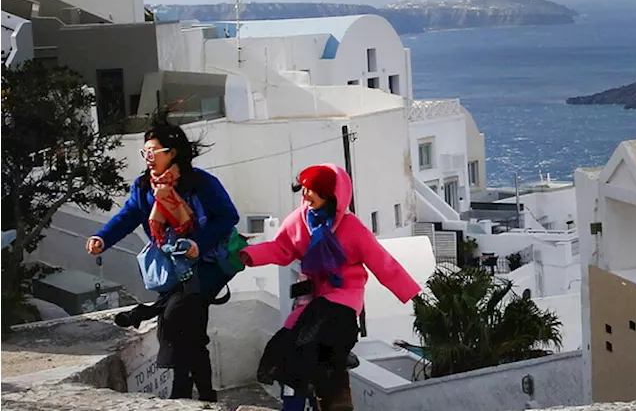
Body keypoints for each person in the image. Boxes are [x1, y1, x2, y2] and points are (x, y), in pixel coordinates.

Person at [241, 163, 419, 411]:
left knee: (310, 344)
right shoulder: (299, 221)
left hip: (344, 299)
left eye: (314, 190)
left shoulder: (352, 228)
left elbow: (382, 262)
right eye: (304, 190)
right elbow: (281, 248)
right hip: (312, 299)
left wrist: (413, 294)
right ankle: (294, 402)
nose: (307, 196)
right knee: (285, 346)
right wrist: (249, 255)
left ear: (331, 195)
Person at [86, 116, 239, 402]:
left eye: (153, 152)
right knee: (191, 328)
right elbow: (128, 216)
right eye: (145, 153)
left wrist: (198, 243)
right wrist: (102, 238)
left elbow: (228, 217)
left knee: (176, 314)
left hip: (207, 263)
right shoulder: (144, 187)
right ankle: (204, 394)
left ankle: (182, 390)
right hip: (174, 266)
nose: (148, 158)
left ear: (173, 153)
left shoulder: (201, 183)